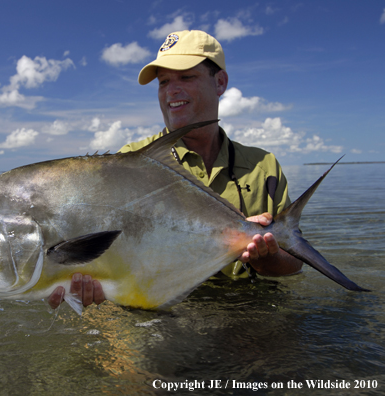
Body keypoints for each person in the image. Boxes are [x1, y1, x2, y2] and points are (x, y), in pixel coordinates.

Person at [48, 30, 303, 310]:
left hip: (245, 312)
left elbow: (293, 265)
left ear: (219, 83)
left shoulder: (263, 167)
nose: (171, 91)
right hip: (156, 318)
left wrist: (266, 257)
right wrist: (78, 280)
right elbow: (99, 256)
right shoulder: (127, 165)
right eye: (164, 81)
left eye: (186, 77)